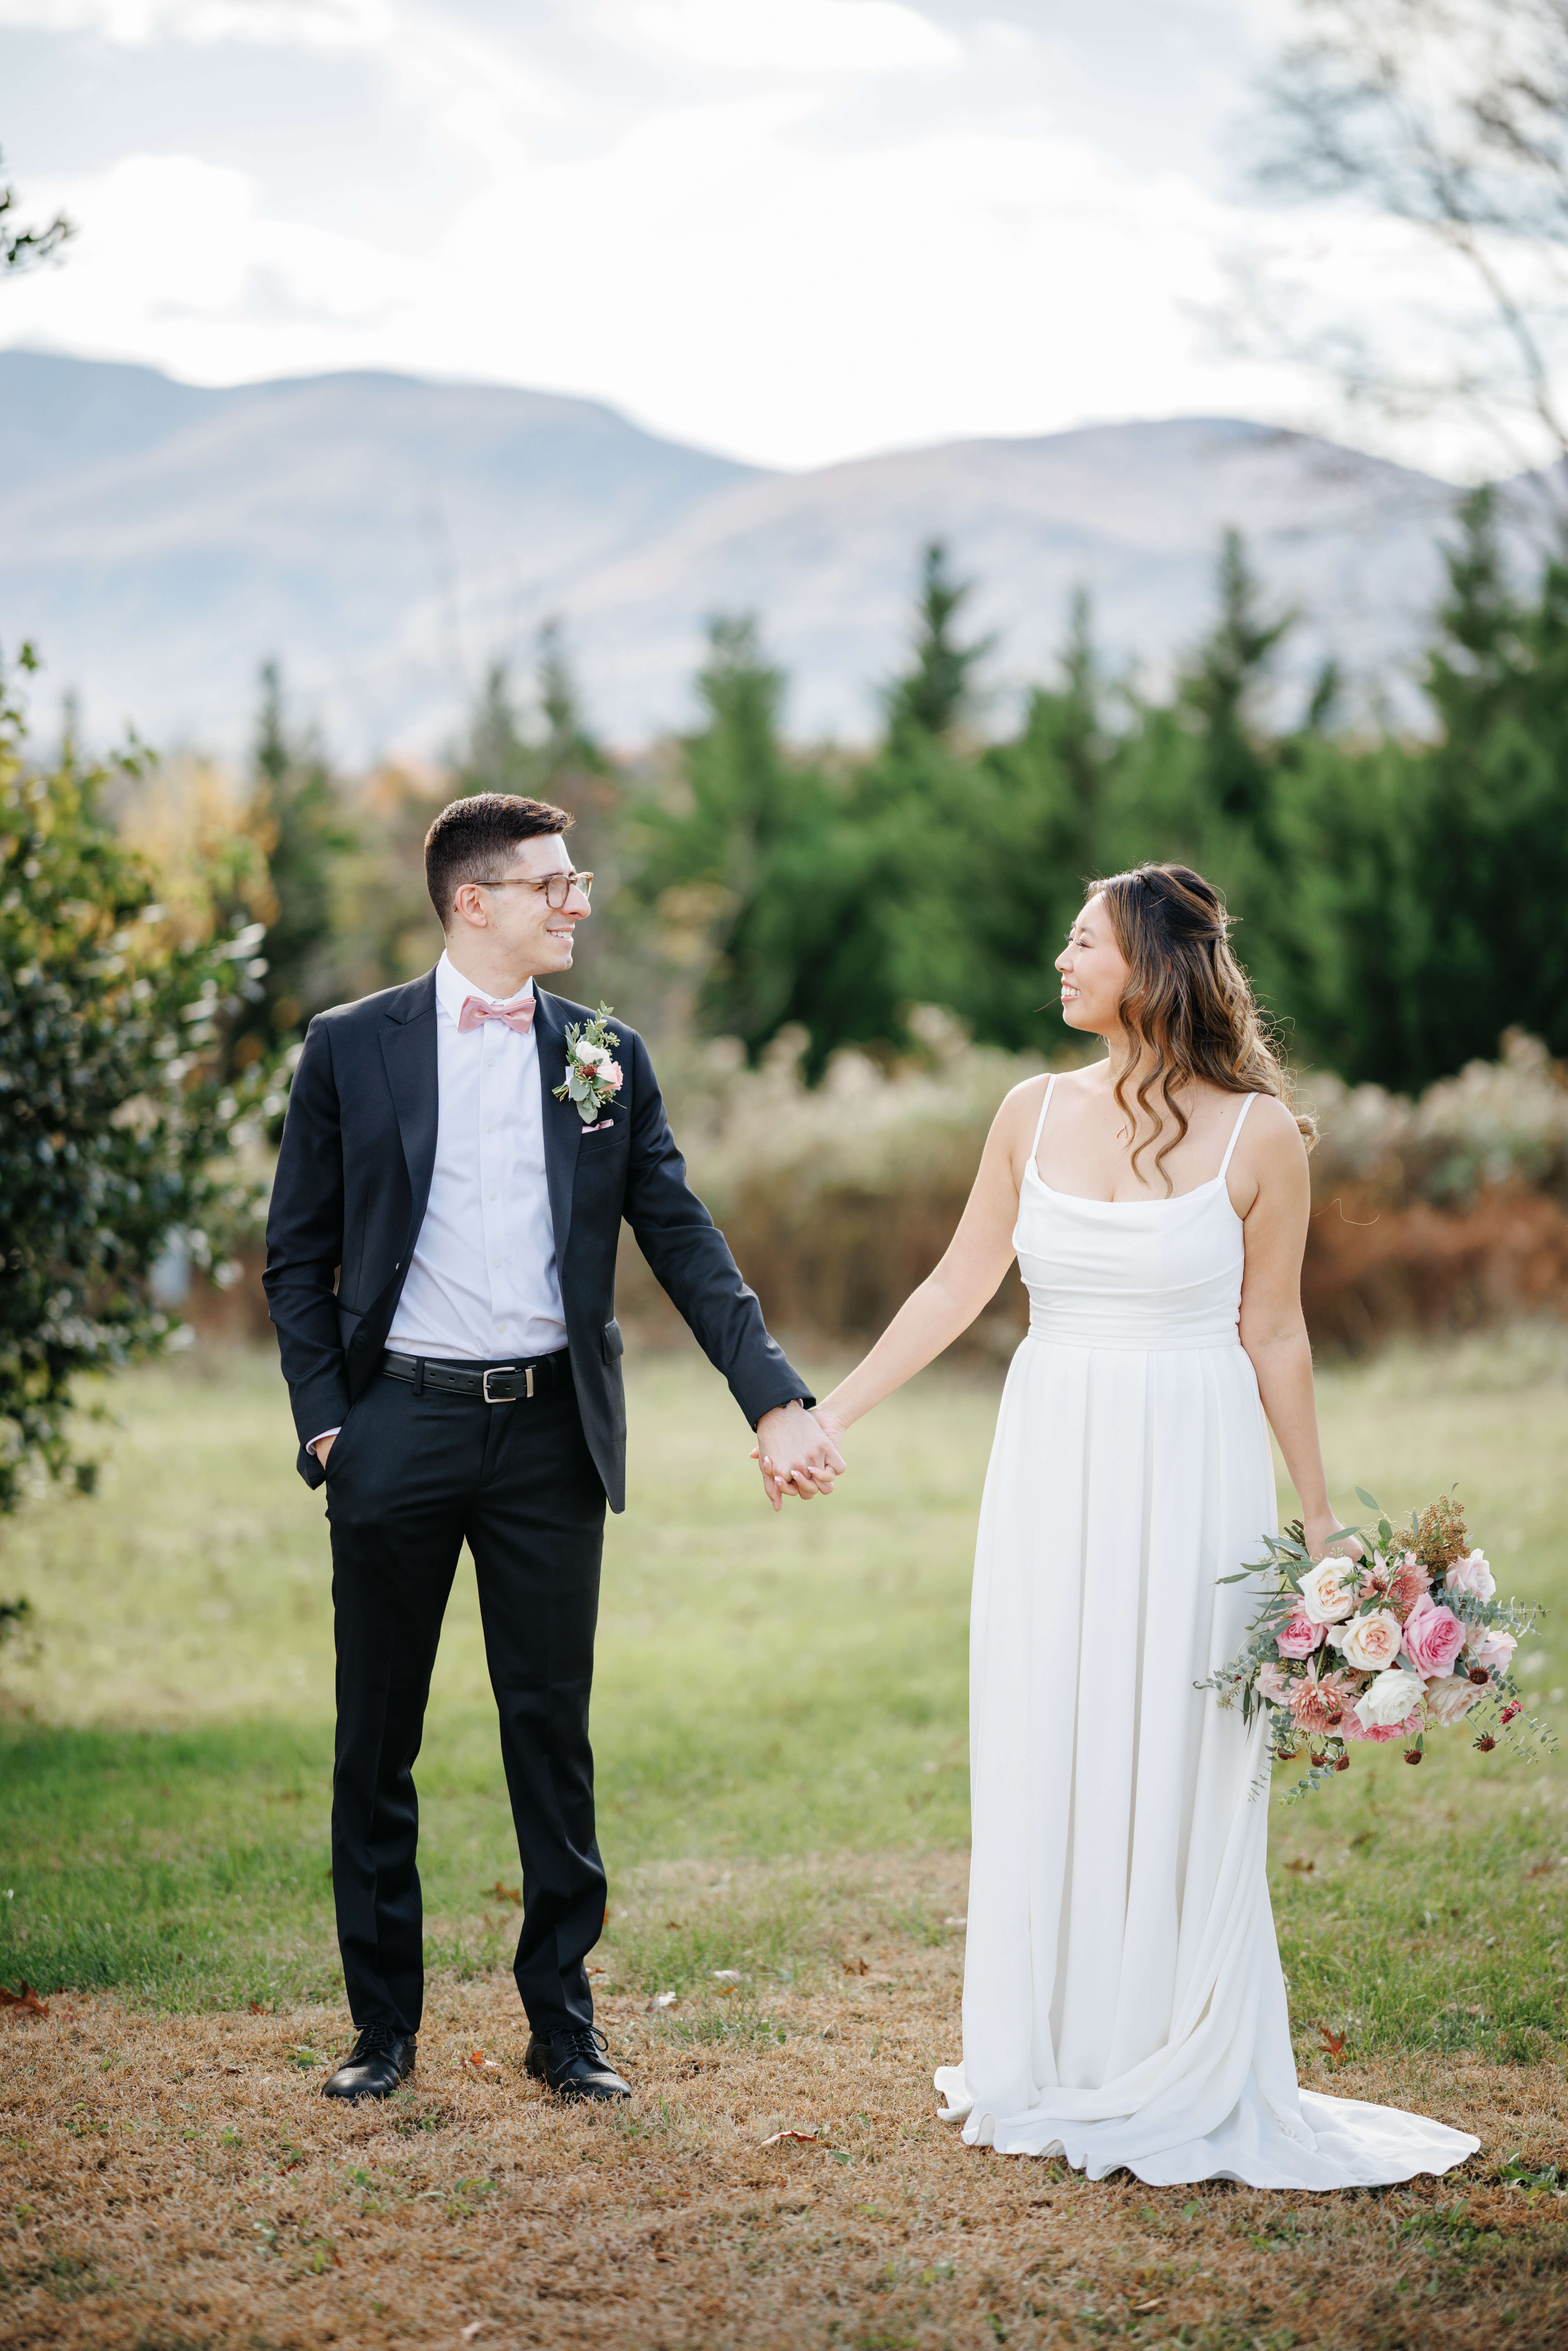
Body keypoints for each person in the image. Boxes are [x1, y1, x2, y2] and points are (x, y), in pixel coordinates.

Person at [810, 863, 1478, 2187]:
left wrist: (1321, 1519)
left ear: (1153, 968)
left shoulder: (1260, 1137)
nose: (1060, 962)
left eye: (1084, 942)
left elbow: (1275, 1333)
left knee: (1176, 1730)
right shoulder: (1027, 1111)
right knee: (1052, 1713)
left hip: (1193, 1460)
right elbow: (955, 1283)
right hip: (1053, 1453)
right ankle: (1057, 2043)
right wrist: (830, 1414)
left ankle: (1172, 2041)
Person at [264, 793, 843, 2106]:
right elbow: (296, 1256)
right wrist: (330, 1424)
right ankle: (381, 2028)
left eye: (575, 883)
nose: (578, 901)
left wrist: (771, 1398)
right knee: (376, 1738)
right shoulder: (349, 1047)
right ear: (473, 902)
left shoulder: (603, 1055)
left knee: (549, 1733)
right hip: (396, 1425)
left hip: (549, 1436)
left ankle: (563, 2027)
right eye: (553, 884)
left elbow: (681, 1236)